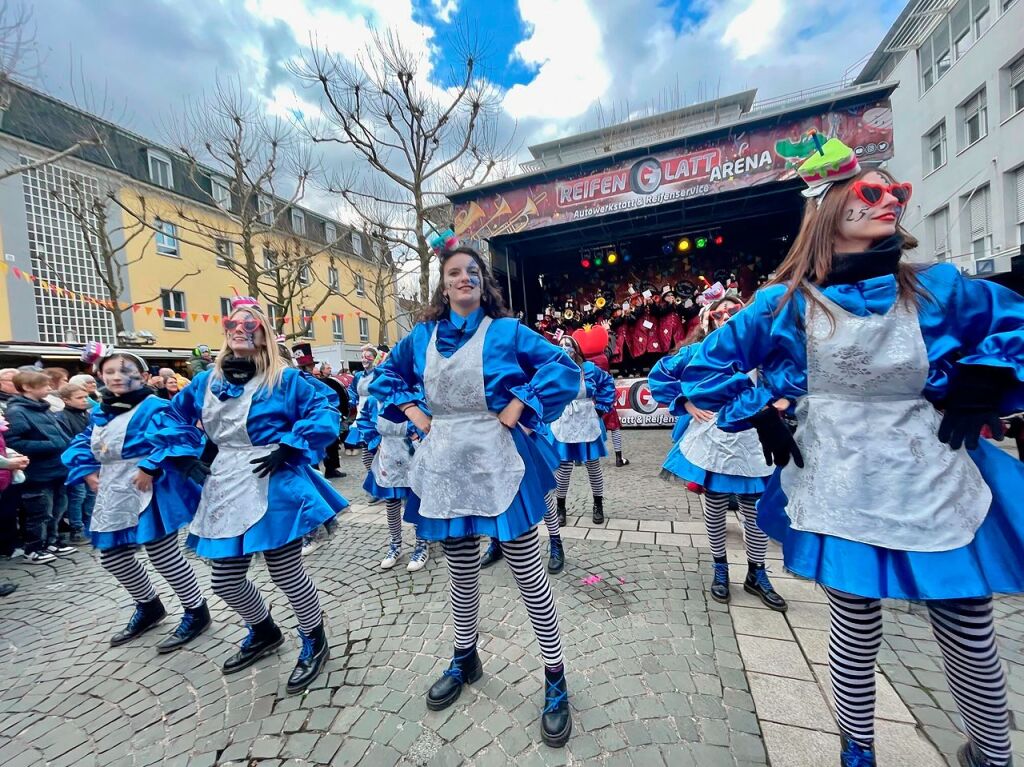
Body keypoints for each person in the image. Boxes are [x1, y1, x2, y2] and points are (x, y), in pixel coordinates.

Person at [681, 137, 1024, 767]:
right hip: (838, 479)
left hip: (934, 476)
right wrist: (756, 408)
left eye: (897, 191)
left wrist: (989, 376)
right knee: (854, 629)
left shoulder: (938, 289)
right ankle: (857, 752)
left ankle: (993, 756)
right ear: (831, 204)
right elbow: (699, 367)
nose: (889, 199)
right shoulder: (783, 303)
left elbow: (1016, 324)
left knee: (970, 631)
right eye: (871, 190)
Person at [370, 244, 578, 748]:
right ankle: (466, 657)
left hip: (497, 460)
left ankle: (555, 677)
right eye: (454, 273)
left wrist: (519, 405)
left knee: (528, 573)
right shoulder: (420, 336)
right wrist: (416, 414)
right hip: (443, 464)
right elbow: (385, 376)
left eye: (472, 272)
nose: (463, 279)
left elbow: (562, 367)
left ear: (484, 283)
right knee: (461, 572)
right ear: (443, 285)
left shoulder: (506, 332)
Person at [147, 295, 348, 694]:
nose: (239, 330)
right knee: (224, 579)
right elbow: (170, 415)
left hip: (274, 481)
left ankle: (314, 638)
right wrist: (185, 456)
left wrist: (291, 445)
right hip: (224, 482)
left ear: (264, 336)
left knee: (286, 572)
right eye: (232, 324)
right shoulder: (206, 381)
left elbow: (326, 407)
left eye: (249, 325)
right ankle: (264, 630)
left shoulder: (285, 378)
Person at [62, 347, 211, 650]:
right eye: (110, 372)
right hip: (113, 491)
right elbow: (84, 441)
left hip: (149, 489)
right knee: (113, 556)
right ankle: (149, 604)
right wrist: (87, 470)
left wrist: (150, 466)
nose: (117, 377)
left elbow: (179, 436)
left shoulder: (154, 406)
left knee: (162, 554)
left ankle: (196, 610)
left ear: (143, 376)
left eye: (125, 371)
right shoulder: (101, 410)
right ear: (99, 376)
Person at [648, 289, 786, 611]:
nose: (728, 317)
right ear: (710, 319)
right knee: (715, 507)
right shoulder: (696, 351)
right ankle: (720, 567)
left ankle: (757, 573)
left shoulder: (762, 354)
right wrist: (686, 401)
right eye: (721, 313)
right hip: (713, 441)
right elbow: (661, 373)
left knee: (754, 512)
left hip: (752, 441)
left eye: (734, 312)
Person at [355, 350, 429, 572]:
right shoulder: (374, 400)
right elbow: (365, 421)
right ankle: (395, 543)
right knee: (391, 502)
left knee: (417, 499)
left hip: (411, 453)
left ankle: (421, 543)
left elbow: (427, 421)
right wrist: (374, 440)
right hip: (388, 453)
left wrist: (418, 435)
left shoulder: (414, 396)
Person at [4, 371, 75, 563]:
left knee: (58, 509)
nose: (49, 389)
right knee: (40, 512)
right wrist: (51, 445)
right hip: (38, 471)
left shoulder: (43, 407)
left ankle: (51, 541)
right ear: (27, 387)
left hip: (57, 467)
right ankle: (34, 548)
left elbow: (60, 434)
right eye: (44, 385)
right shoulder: (17, 411)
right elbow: (14, 442)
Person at [549, 335, 615, 527]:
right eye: (560, 345)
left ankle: (598, 504)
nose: (564, 348)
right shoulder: (555, 369)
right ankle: (560, 507)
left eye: (568, 345)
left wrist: (602, 407)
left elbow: (607, 383)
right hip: (564, 421)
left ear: (576, 349)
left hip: (586, 420)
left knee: (593, 466)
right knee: (563, 468)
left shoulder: (590, 369)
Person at [56, 383, 96, 544]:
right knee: (77, 496)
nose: (84, 400)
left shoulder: (87, 415)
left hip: (91, 461)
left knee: (91, 495)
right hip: (76, 463)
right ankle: (77, 528)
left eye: (86, 397)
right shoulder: (62, 417)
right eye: (79, 398)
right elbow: (67, 440)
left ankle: (90, 525)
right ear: (66, 400)